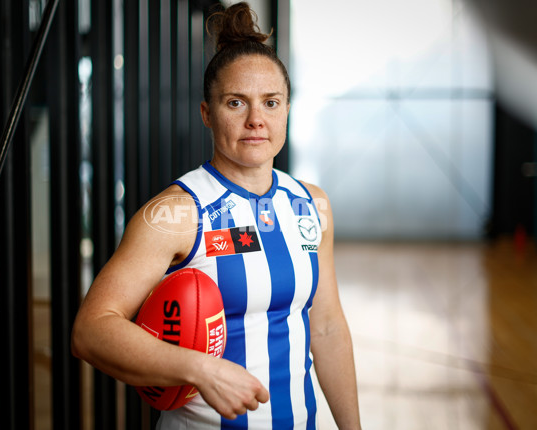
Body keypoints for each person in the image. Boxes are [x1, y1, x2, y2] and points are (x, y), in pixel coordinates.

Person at [72, 2, 361, 429]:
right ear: (207, 113)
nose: (255, 120)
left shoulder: (311, 205)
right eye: (235, 103)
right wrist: (201, 369)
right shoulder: (174, 214)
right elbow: (91, 330)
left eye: (271, 102)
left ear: (286, 110)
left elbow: (328, 328)